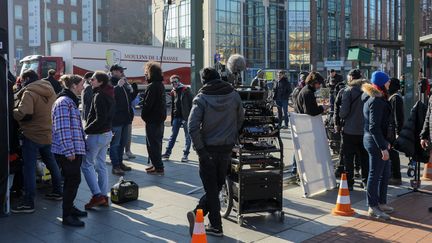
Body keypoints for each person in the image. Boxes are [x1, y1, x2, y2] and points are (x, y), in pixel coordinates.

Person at [187, 67, 244, 237]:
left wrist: (201, 150)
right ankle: (204, 218)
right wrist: (232, 136)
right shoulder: (234, 95)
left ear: (203, 81)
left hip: (208, 150)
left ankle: (211, 223)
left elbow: (192, 127)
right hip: (226, 148)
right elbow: (240, 118)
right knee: (216, 186)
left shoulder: (201, 98)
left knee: (212, 187)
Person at [12, 70, 63, 214]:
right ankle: (58, 191)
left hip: (32, 135)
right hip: (47, 133)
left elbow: (24, 113)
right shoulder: (50, 89)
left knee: (28, 168)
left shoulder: (29, 92)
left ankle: (29, 202)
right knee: (51, 162)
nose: (21, 83)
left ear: (27, 79)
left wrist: (12, 110)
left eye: (22, 80)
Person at [51, 74, 88, 227]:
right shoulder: (63, 102)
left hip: (73, 150)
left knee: (72, 181)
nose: (83, 87)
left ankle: (70, 209)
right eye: (81, 85)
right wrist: (69, 151)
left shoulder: (69, 101)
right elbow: (63, 129)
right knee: (72, 181)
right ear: (73, 86)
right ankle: (67, 216)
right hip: (67, 151)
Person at [362, 71, 393, 220]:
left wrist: (386, 143)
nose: (389, 83)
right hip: (375, 142)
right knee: (375, 174)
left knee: (385, 172)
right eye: (387, 81)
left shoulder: (378, 98)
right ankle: (372, 206)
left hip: (378, 140)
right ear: (381, 83)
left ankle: (381, 202)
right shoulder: (376, 100)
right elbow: (374, 127)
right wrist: (382, 147)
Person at [82, 71, 115, 209]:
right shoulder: (109, 93)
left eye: (93, 79)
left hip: (97, 134)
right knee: (101, 164)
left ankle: (97, 195)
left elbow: (99, 118)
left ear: (100, 82)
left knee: (86, 164)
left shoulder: (99, 95)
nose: (91, 80)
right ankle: (103, 195)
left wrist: (86, 130)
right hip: (106, 133)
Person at [338, 69, 369, 190]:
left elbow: (343, 113)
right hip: (364, 131)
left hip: (350, 130)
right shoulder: (368, 90)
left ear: (351, 78)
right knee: (364, 158)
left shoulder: (348, 91)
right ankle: (365, 181)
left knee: (348, 158)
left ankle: (349, 183)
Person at [109, 64, 138, 176]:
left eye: (122, 71)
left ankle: (120, 163)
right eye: (121, 71)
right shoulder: (110, 83)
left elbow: (129, 99)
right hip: (116, 119)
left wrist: (133, 89)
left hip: (126, 119)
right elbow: (109, 97)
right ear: (114, 72)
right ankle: (115, 166)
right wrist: (118, 86)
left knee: (123, 142)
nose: (122, 73)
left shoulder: (123, 83)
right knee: (115, 143)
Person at [141, 62, 167, 175]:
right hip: (159, 119)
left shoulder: (152, 86)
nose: (145, 75)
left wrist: (144, 115)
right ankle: (156, 164)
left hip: (152, 119)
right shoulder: (160, 85)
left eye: (146, 72)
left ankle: (158, 166)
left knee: (153, 144)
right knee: (157, 142)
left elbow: (148, 105)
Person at [162, 75, 194, 162]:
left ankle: (185, 155)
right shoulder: (173, 91)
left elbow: (192, 103)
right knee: (173, 136)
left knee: (187, 137)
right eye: (172, 82)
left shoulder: (186, 89)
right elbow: (173, 106)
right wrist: (172, 119)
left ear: (179, 81)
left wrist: (189, 117)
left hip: (185, 117)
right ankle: (167, 153)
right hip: (176, 117)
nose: (174, 83)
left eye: (175, 81)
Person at [387, 78, 404, 186]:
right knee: (391, 153)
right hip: (392, 130)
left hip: (392, 131)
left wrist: (398, 132)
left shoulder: (395, 98)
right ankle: (393, 175)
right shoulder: (395, 97)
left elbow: (398, 117)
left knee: (393, 153)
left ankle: (396, 176)